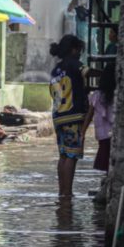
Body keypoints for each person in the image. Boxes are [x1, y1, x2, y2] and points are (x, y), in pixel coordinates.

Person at [49, 34, 89, 199]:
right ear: (74, 49)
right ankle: (68, 192)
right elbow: (87, 72)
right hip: (73, 116)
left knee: (63, 155)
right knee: (72, 155)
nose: (80, 53)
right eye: (79, 50)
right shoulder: (75, 65)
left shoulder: (55, 70)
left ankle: (61, 191)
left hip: (58, 116)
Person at [82, 63, 117, 175]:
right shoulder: (117, 95)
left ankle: (107, 181)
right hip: (114, 134)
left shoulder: (97, 95)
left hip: (102, 135)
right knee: (112, 161)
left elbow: (89, 115)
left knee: (106, 161)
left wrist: (83, 132)